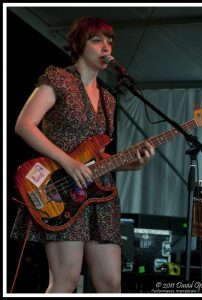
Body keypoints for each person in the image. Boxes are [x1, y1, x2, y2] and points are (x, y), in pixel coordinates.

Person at [10, 17, 155, 293]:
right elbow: (24, 124)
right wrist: (67, 161)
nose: (106, 47)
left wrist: (133, 164)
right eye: (97, 40)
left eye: (109, 41)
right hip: (61, 190)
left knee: (111, 283)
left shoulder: (109, 98)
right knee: (65, 281)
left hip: (100, 197)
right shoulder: (58, 79)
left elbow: (98, 159)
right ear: (79, 44)